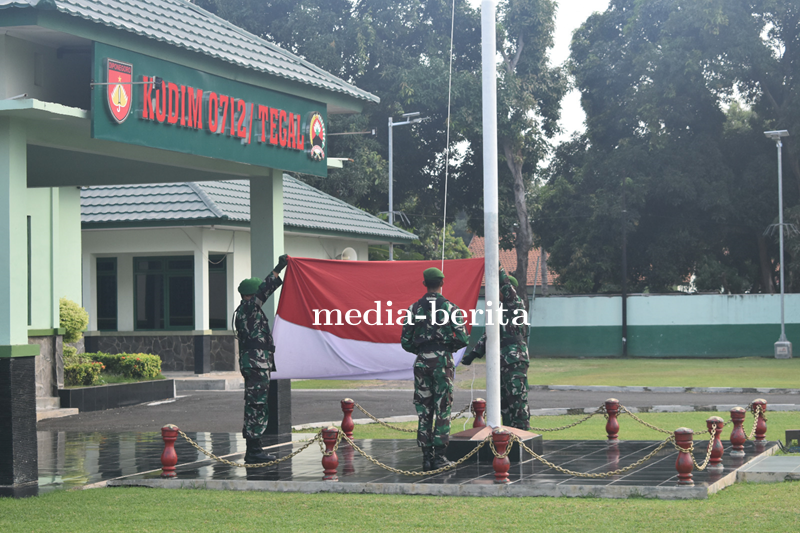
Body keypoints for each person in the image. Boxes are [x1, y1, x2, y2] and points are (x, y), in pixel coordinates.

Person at [401, 267, 469, 471]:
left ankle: (426, 458)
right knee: (442, 408)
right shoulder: (450, 308)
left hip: (422, 362)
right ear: (442, 283)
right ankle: (439, 457)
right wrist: (446, 348)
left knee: (424, 410)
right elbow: (463, 338)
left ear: (424, 284)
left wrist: (423, 351)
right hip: (442, 363)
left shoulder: (414, 308)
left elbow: (405, 341)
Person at [234, 254, 289, 464]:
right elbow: (265, 289)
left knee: (257, 404)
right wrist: (279, 268)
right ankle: (254, 450)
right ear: (251, 294)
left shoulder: (250, 311)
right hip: (255, 365)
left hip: (258, 365)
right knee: (256, 404)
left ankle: (255, 447)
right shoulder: (248, 309)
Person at [461, 267, 530, 430]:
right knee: (504, 402)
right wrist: (473, 355)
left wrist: (496, 266)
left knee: (517, 401)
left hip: (514, 360)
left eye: (499, 290)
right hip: (502, 361)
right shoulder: (499, 310)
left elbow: (506, 284)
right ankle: (507, 435)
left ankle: (523, 435)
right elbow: (488, 336)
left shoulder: (515, 304)